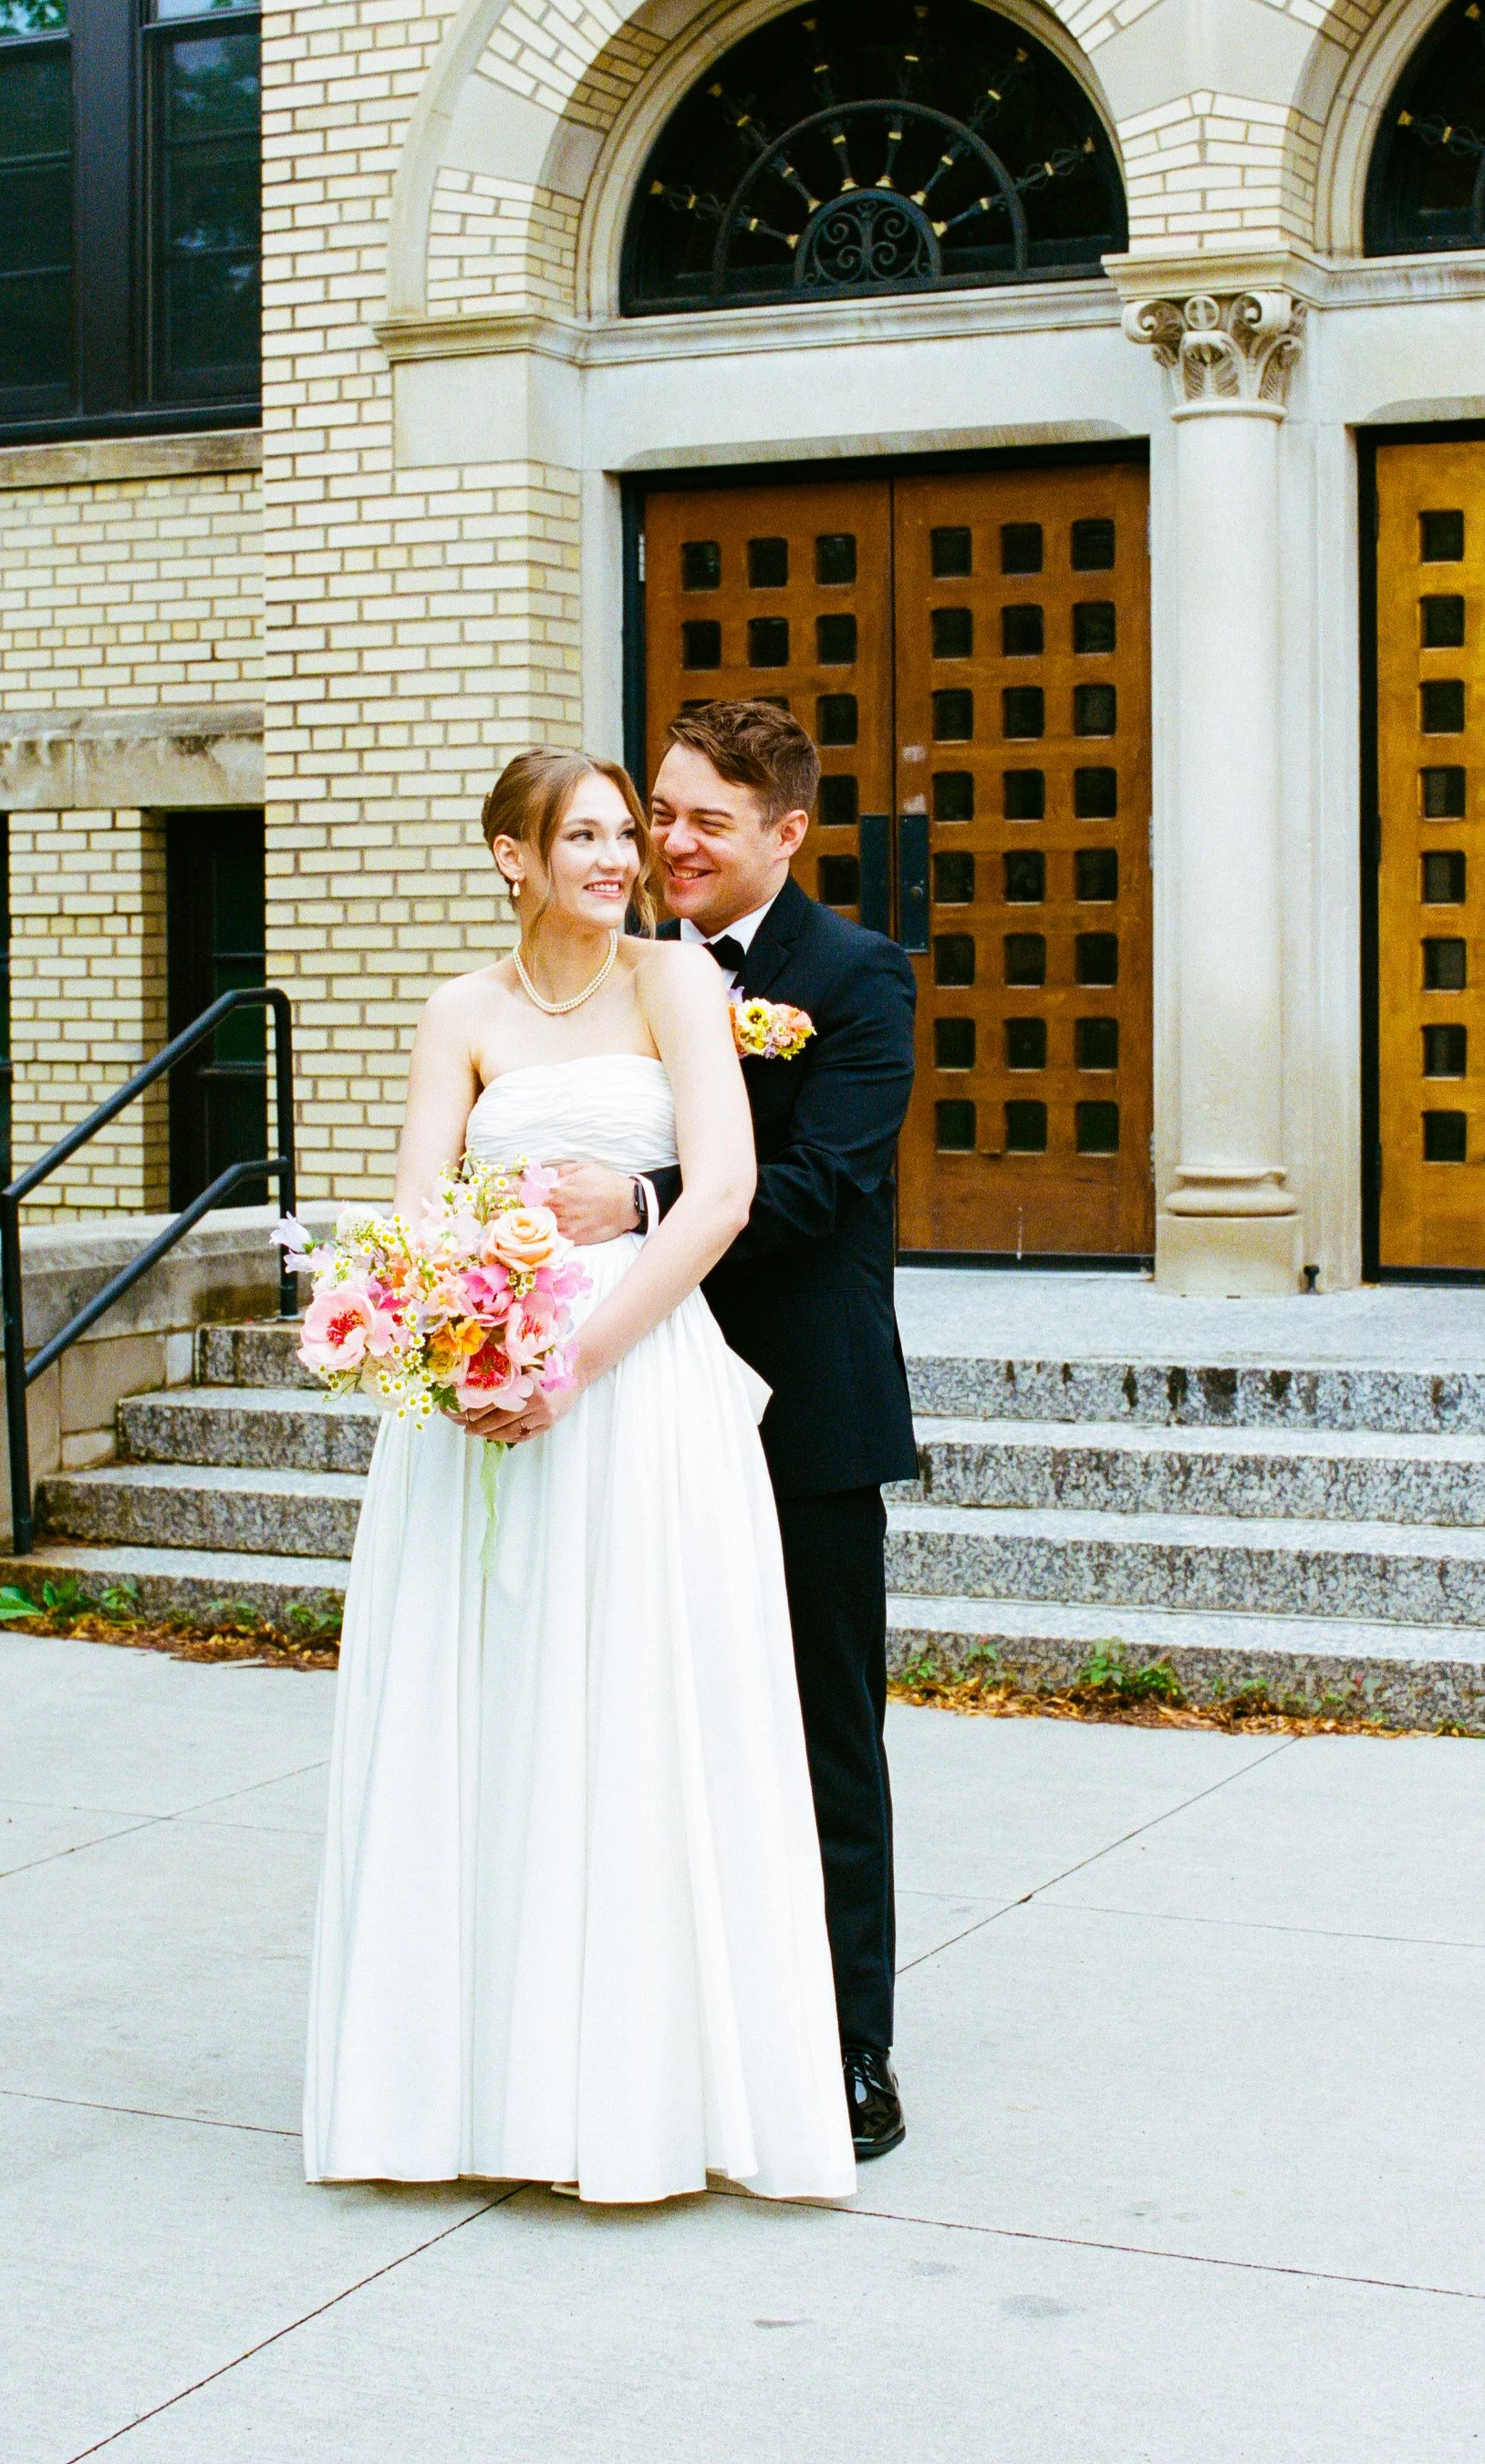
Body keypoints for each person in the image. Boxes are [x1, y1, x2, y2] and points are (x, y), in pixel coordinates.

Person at [303, 747, 857, 2205]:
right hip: (479, 1401)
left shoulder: (677, 986)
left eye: (632, 834)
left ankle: (641, 2097)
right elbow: (422, 1206)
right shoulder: (458, 1014)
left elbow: (724, 1193)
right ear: (513, 856)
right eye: (592, 836)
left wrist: (580, 1359)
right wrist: (454, 1344)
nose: (624, 859)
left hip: (636, 1381)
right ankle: (469, 2095)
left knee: (639, 1708)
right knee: (492, 1707)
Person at [546, 700, 918, 2159]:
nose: (674, 844)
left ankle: (847, 2050)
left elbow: (820, 1182)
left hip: (800, 1414)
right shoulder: (615, 977)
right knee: (649, 1723)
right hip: (638, 1407)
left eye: (709, 819)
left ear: (788, 832)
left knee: (827, 1739)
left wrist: (637, 1204)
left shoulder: (859, 976)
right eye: (663, 813)